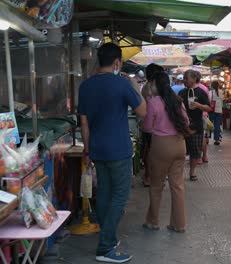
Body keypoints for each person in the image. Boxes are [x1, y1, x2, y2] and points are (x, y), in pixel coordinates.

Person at [78, 43, 146, 263]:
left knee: (105, 193)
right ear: (117, 62)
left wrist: (88, 150)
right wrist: (134, 84)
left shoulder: (85, 86)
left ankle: (108, 237)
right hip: (118, 149)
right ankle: (105, 246)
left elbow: (84, 124)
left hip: (97, 149)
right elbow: (143, 112)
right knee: (120, 195)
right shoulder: (121, 83)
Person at [142, 64, 191, 233]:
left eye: (152, 84)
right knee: (177, 186)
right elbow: (187, 122)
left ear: (156, 85)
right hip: (179, 144)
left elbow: (147, 127)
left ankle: (153, 221)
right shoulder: (177, 100)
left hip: (161, 145)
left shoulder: (154, 102)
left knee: (156, 185)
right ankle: (179, 224)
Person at [178, 70, 211, 181]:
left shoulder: (201, 92)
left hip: (196, 126)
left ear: (193, 79)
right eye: (184, 78)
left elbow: (208, 108)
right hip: (183, 126)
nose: (184, 80)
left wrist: (198, 105)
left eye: (186, 78)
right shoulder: (181, 93)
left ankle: (192, 172)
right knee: (181, 152)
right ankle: (179, 173)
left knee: (195, 151)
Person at [195, 71, 211, 163]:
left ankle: (198, 157)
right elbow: (208, 102)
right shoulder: (205, 88)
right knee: (204, 136)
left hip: (196, 115)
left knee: (197, 137)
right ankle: (204, 156)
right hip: (204, 114)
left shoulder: (193, 88)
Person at [209, 81, 224, 145]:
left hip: (212, 111)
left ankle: (207, 139)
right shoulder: (221, 92)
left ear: (212, 86)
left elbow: (209, 101)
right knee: (217, 125)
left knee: (209, 125)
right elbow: (222, 99)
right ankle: (217, 139)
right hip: (219, 111)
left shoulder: (210, 92)